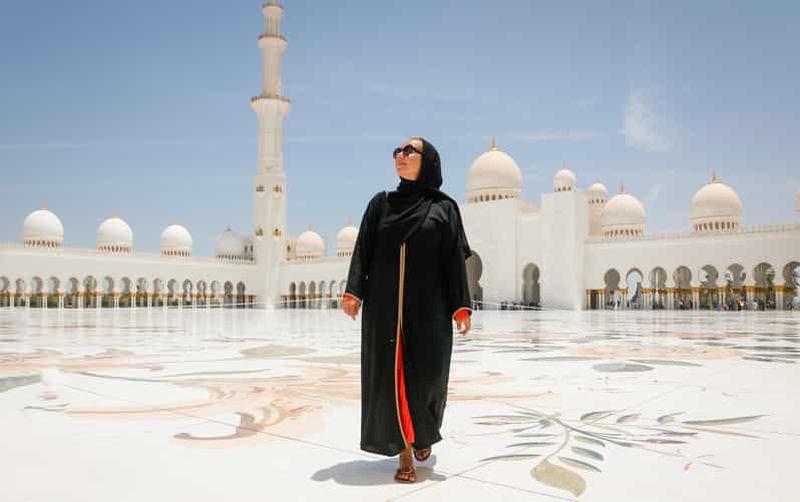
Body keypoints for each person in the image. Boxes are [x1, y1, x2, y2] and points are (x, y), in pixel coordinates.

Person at [341, 137, 473, 483]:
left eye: (410, 151)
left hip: (430, 311)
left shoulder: (444, 208)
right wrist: (354, 290)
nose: (401, 156)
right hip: (385, 310)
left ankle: (423, 433)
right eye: (398, 151)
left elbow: (454, 261)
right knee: (393, 378)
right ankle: (405, 452)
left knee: (428, 380)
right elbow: (363, 248)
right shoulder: (381, 204)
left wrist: (461, 305)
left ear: (428, 161)